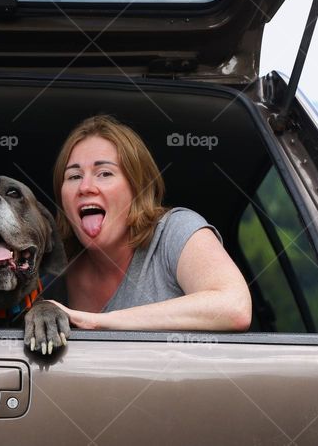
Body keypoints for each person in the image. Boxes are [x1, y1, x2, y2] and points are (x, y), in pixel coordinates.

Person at [48, 115, 251, 331]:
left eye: (104, 173)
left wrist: (96, 322)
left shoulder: (174, 232)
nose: (85, 187)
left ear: (137, 188)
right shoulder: (55, 275)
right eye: (73, 176)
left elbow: (234, 308)